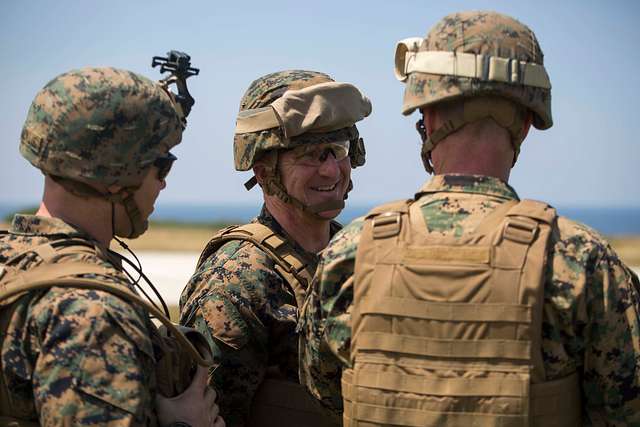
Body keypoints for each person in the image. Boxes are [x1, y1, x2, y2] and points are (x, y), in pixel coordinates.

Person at [299, 10, 640, 426]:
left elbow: (326, 391)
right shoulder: (582, 262)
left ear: (427, 117)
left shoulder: (349, 254)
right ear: (527, 123)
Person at [0, 66, 224, 427]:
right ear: (120, 175)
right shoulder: (94, 314)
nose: (163, 185)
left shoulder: (13, 262)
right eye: (161, 166)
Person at [179, 70, 371, 426]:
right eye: (310, 155)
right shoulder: (237, 282)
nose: (331, 170)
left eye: (338, 150)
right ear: (265, 172)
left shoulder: (356, 255)